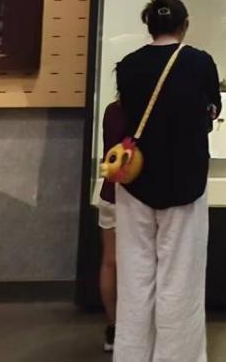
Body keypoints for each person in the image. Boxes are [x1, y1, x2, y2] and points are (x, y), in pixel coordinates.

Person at [114, 0, 221, 362]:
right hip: (185, 179)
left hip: (135, 178)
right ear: (184, 25)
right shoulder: (200, 62)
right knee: (181, 279)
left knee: (134, 277)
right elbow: (211, 110)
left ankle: (131, 355)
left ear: (149, 25)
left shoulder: (128, 65)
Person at [98, 99, 126, 352]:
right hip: (135, 197)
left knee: (110, 261)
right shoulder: (144, 111)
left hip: (109, 192)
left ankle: (113, 327)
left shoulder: (111, 110)